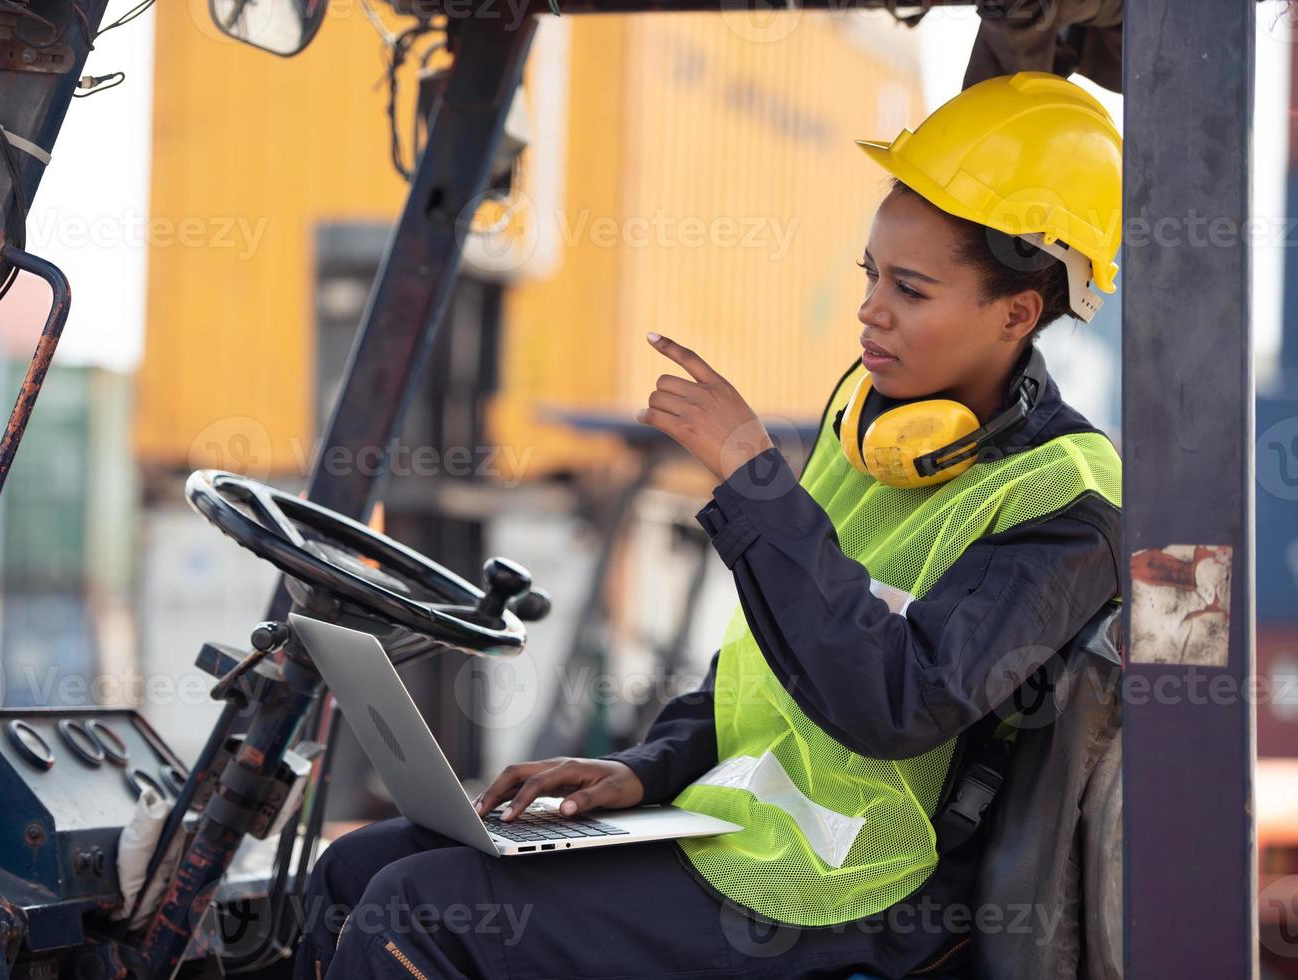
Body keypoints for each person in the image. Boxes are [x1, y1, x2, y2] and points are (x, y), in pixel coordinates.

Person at [292, 71, 1124, 980]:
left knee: (412, 917)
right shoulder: (873, 426)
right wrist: (647, 771)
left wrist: (755, 483)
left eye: (911, 290)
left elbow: (898, 704)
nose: (870, 309)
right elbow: (766, 667)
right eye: (870, 274)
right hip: (748, 842)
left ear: (1017, 313)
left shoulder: (1065, 501)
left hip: (865, 897)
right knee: (355, 867)